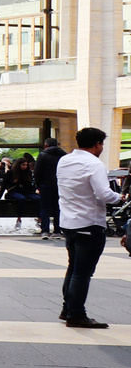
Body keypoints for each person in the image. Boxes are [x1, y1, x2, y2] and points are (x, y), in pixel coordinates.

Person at [56, 127, 121, 328]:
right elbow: (104, 193)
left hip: (68, 222)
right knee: (82, 272)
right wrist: (119, 197)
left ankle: (67, 309)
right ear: (98, 144)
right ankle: (76, 314)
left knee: (73, 268)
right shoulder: (94, 164)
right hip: (89, 222)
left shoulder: (64, 161)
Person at [36, 135, 64, 239]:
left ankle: (45, 231)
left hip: (45, 185)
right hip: (59, 185)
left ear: (46, 145)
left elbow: (37, 171)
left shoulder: (43, 155)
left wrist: (38, 185)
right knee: (58, 207)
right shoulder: (63, 155)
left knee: (45, 208)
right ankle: (57, 230)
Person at [7, 156, 38, 229]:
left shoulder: (28, 173)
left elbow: (30, 185)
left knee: (38, 198)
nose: (25, 167)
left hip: (26, 191)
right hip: (14, 191)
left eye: (26, 165)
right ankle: (19, 218)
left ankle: (39, 218)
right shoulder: (11, 172)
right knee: (21, 199)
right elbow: (5, 185)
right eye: (23, 165)